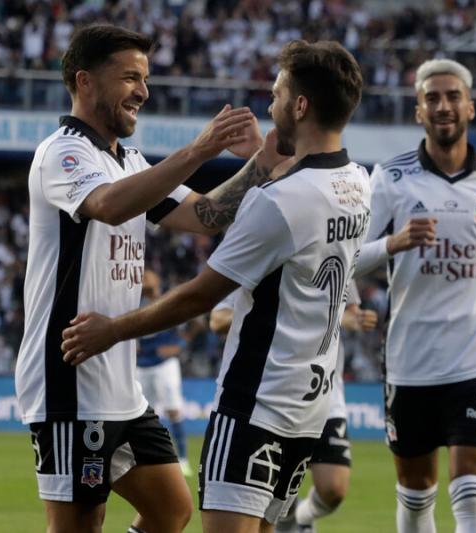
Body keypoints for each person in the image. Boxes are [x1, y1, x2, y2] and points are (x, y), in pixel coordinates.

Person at [60, 39, 368, 533]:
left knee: (125, 516)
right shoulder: (358, 181)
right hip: (307, 407)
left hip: (254, 400)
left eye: (276, 93)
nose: (270, 104)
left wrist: (114, 330)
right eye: (131, 78)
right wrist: (258, 166)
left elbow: (202, 290)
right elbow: (183, 212)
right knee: (167, 511)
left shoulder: (280, 201)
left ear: (300, 105)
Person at [15, 23, 273, 533]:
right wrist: (198, 151)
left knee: (171, 509)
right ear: (85, 82)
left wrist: (264, 162)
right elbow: (108, 206)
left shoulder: (128, 160)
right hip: (70, 380)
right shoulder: (63, 152)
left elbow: (206, 216)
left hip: (121, 387)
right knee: (80, 524)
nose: (143, 91)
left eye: (145, 78)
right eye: (130, 77)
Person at [355, 58, 476, 533]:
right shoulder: (390, 177)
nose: (443, 106)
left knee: (471, 484)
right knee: (416, 490)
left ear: (471, 107)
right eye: (432, 98)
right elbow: (348, 254)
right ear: (418, 111)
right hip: (410, 357)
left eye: (451, 97)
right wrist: (394, 243)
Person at [210, 284, 378, 533]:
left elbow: (350, 313)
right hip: (270, 396)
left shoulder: (340, 252)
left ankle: (303, 515)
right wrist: (276, 311)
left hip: (324, 394)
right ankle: (289, 522)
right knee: (269, 500)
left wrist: (357, 319)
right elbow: (218, 320)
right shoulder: (266, 257)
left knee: (333, 488)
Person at [136, 269, 192, 476]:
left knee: (174, 410)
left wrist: (179, 345)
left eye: (146, 276)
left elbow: (192, 325)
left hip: (165, 364)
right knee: (143, 414)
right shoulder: (135, 304)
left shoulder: (168, 302)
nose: (143, 280)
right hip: (141, 365)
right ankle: (148, 459)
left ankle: (183, 459)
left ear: (157, 280)